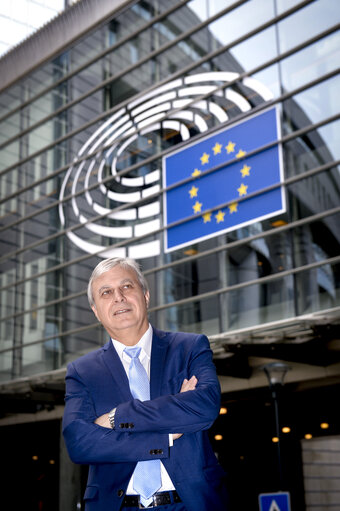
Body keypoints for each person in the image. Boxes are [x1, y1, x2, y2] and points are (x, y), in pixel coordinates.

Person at [62, 257, 228, 511]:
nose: (118, 297)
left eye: (127, 287)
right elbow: (80, 443)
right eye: (106, 292)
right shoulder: (82, 371)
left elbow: (204, 406)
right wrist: (166, 436)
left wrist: (118, 417)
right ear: (96, 311)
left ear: (146, 296)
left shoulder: (189, 347)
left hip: (191, 503)